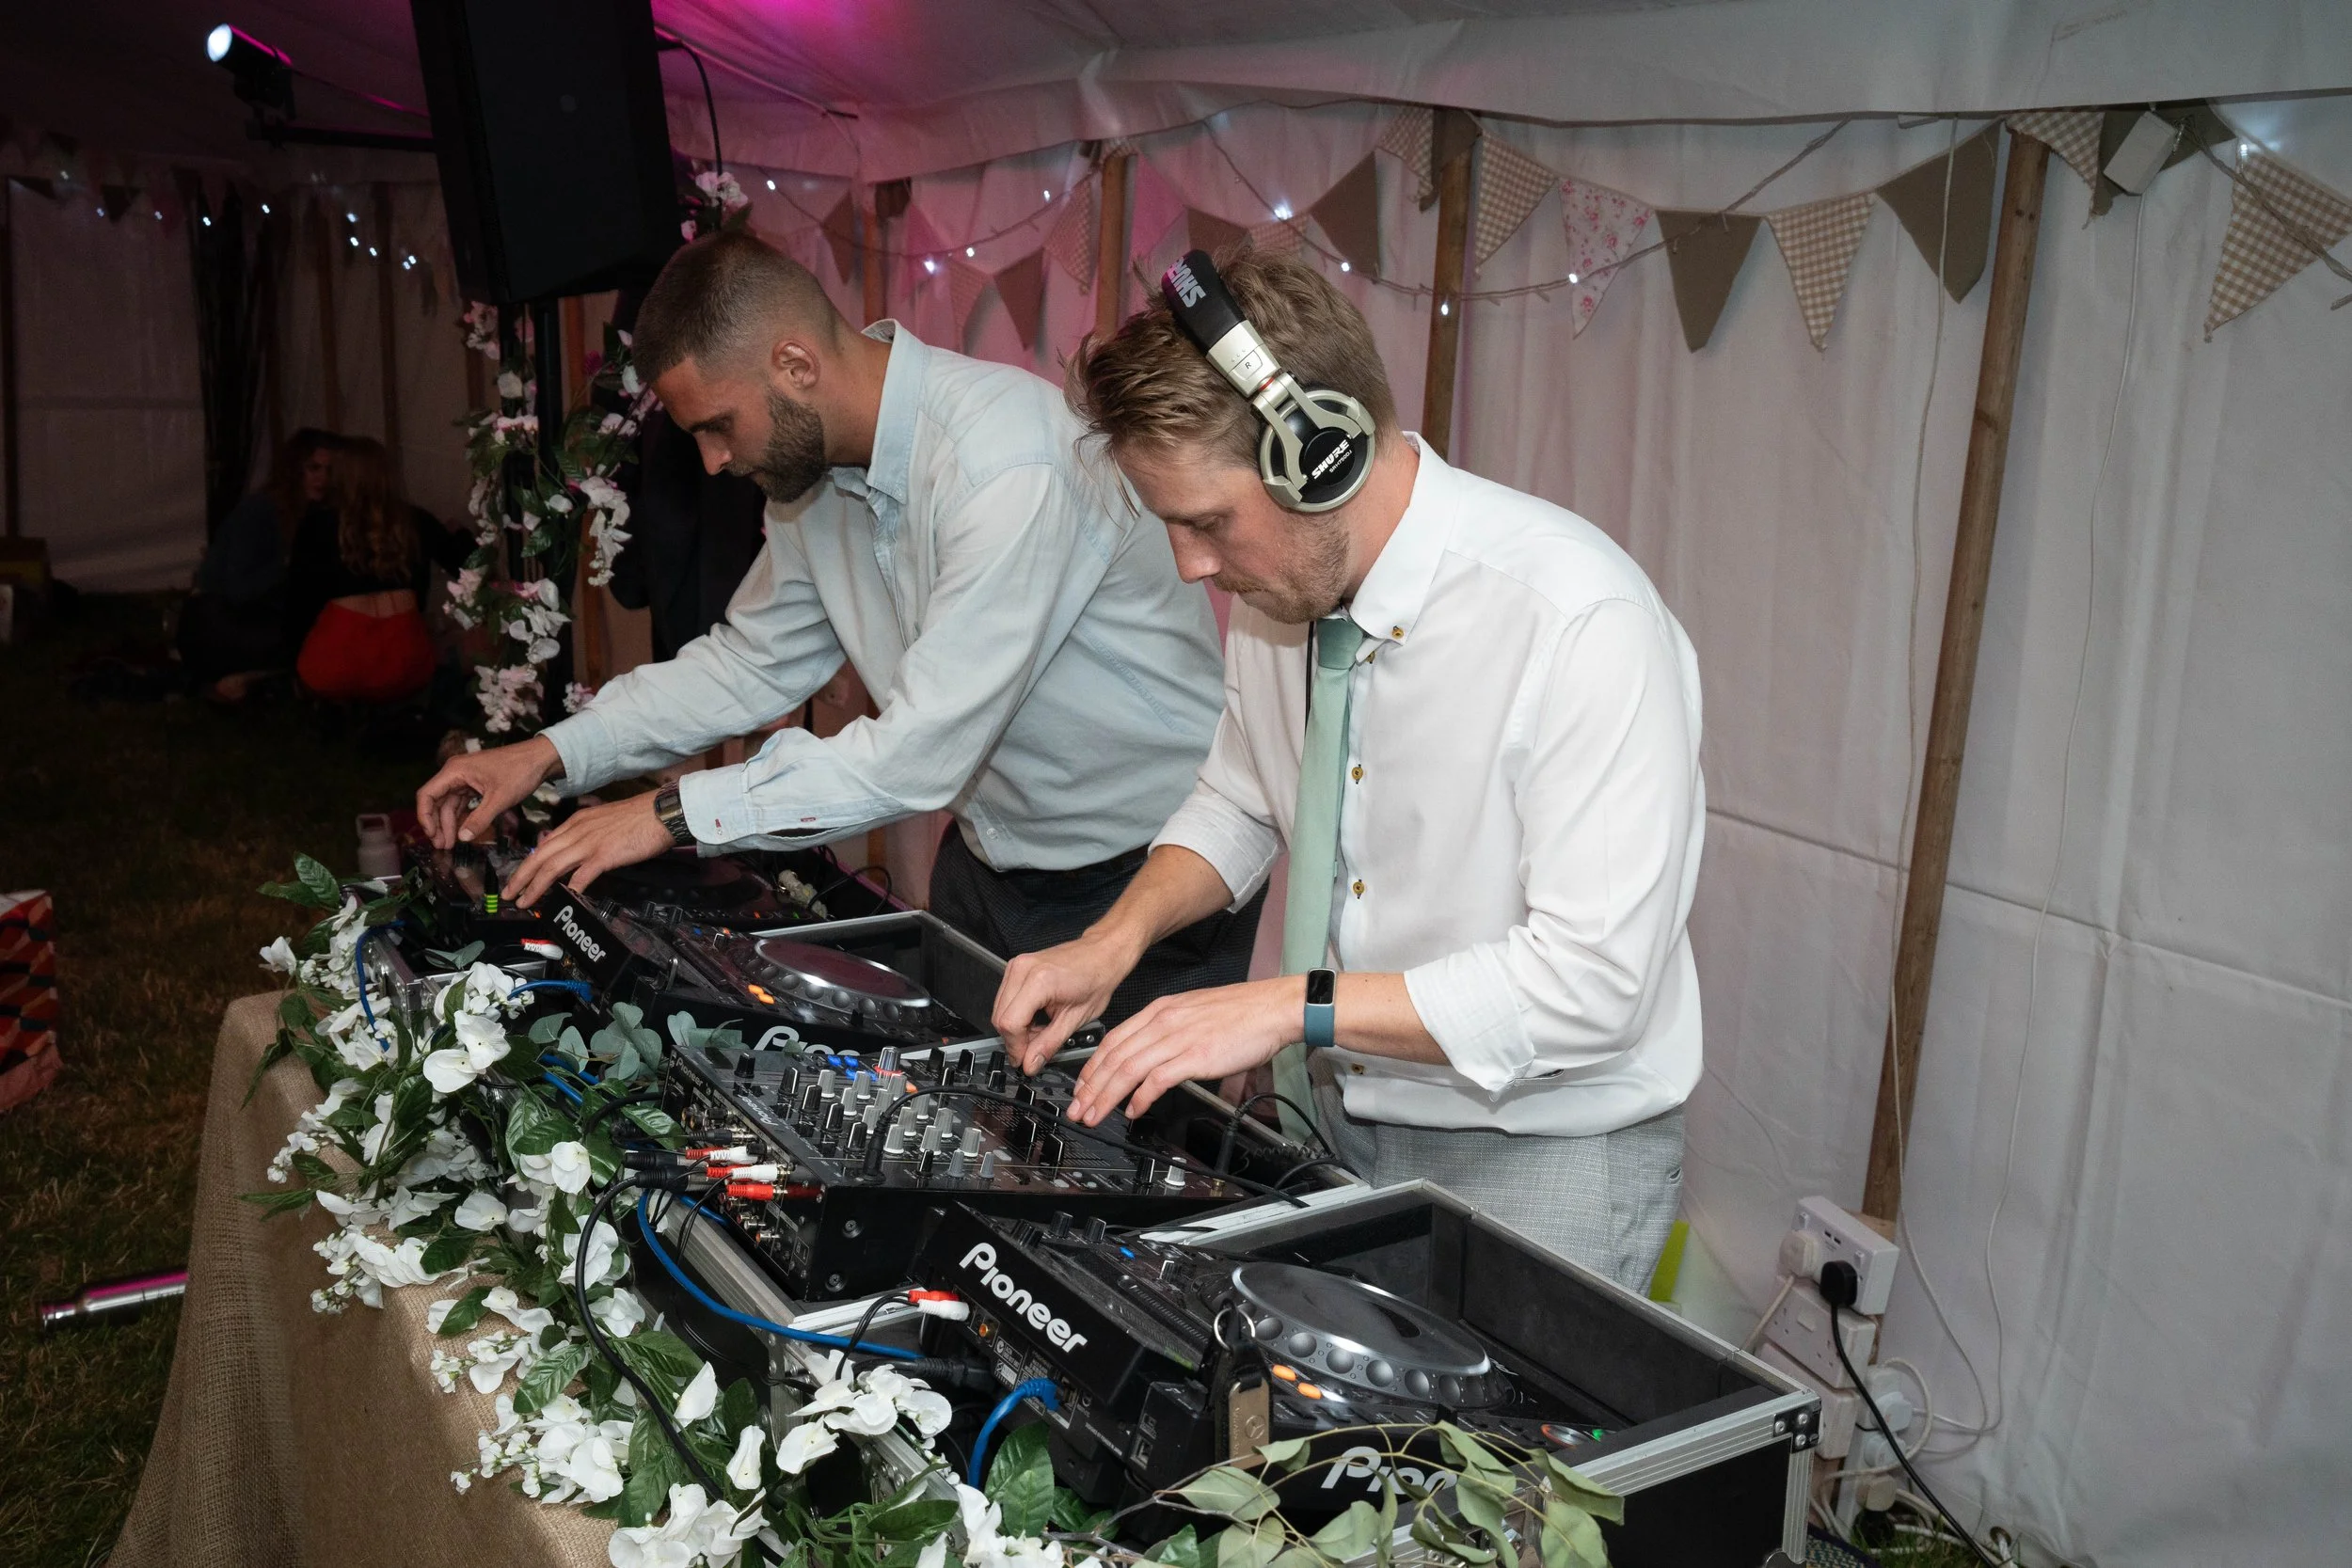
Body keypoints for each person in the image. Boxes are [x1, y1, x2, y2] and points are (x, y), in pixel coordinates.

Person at [993, 251, 1705, 1289]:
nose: (1192, 566)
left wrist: (1292, 1005)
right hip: (1336, 1116)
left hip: (1540, 1155)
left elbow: (1593, 986)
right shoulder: (1279, 595)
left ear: (1319, 457)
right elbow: (1240, 800)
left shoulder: (1578, 621)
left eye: (1207, 522)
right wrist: (1114, 940)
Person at [415, 230, 1257, 1020]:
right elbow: (747, 665)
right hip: (986, 865)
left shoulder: (1007, 464)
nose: (714, 461)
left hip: (1148, 886)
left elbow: (917, 754)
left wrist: (669, 814)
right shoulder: (811, 485)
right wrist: (549, 751)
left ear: (794, 364)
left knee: (1112, 1133)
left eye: (718, 426)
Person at [282, 436, 469, 705]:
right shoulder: (416, 521)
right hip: (406, 662)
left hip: (337, 663)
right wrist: (460, 535)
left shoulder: (318, 525)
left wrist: (294, 668)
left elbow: (297, 604)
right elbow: (471, 567)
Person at [177, 427, 335, 700]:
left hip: (251, 617)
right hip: (215, 620)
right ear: (294, 471)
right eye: (314, 468)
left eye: (329, 470)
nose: (322, 478)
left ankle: (257, 680)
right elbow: (239, 590)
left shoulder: (312, 514)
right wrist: (288, 565)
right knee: (306, 639)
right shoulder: (260, 511)